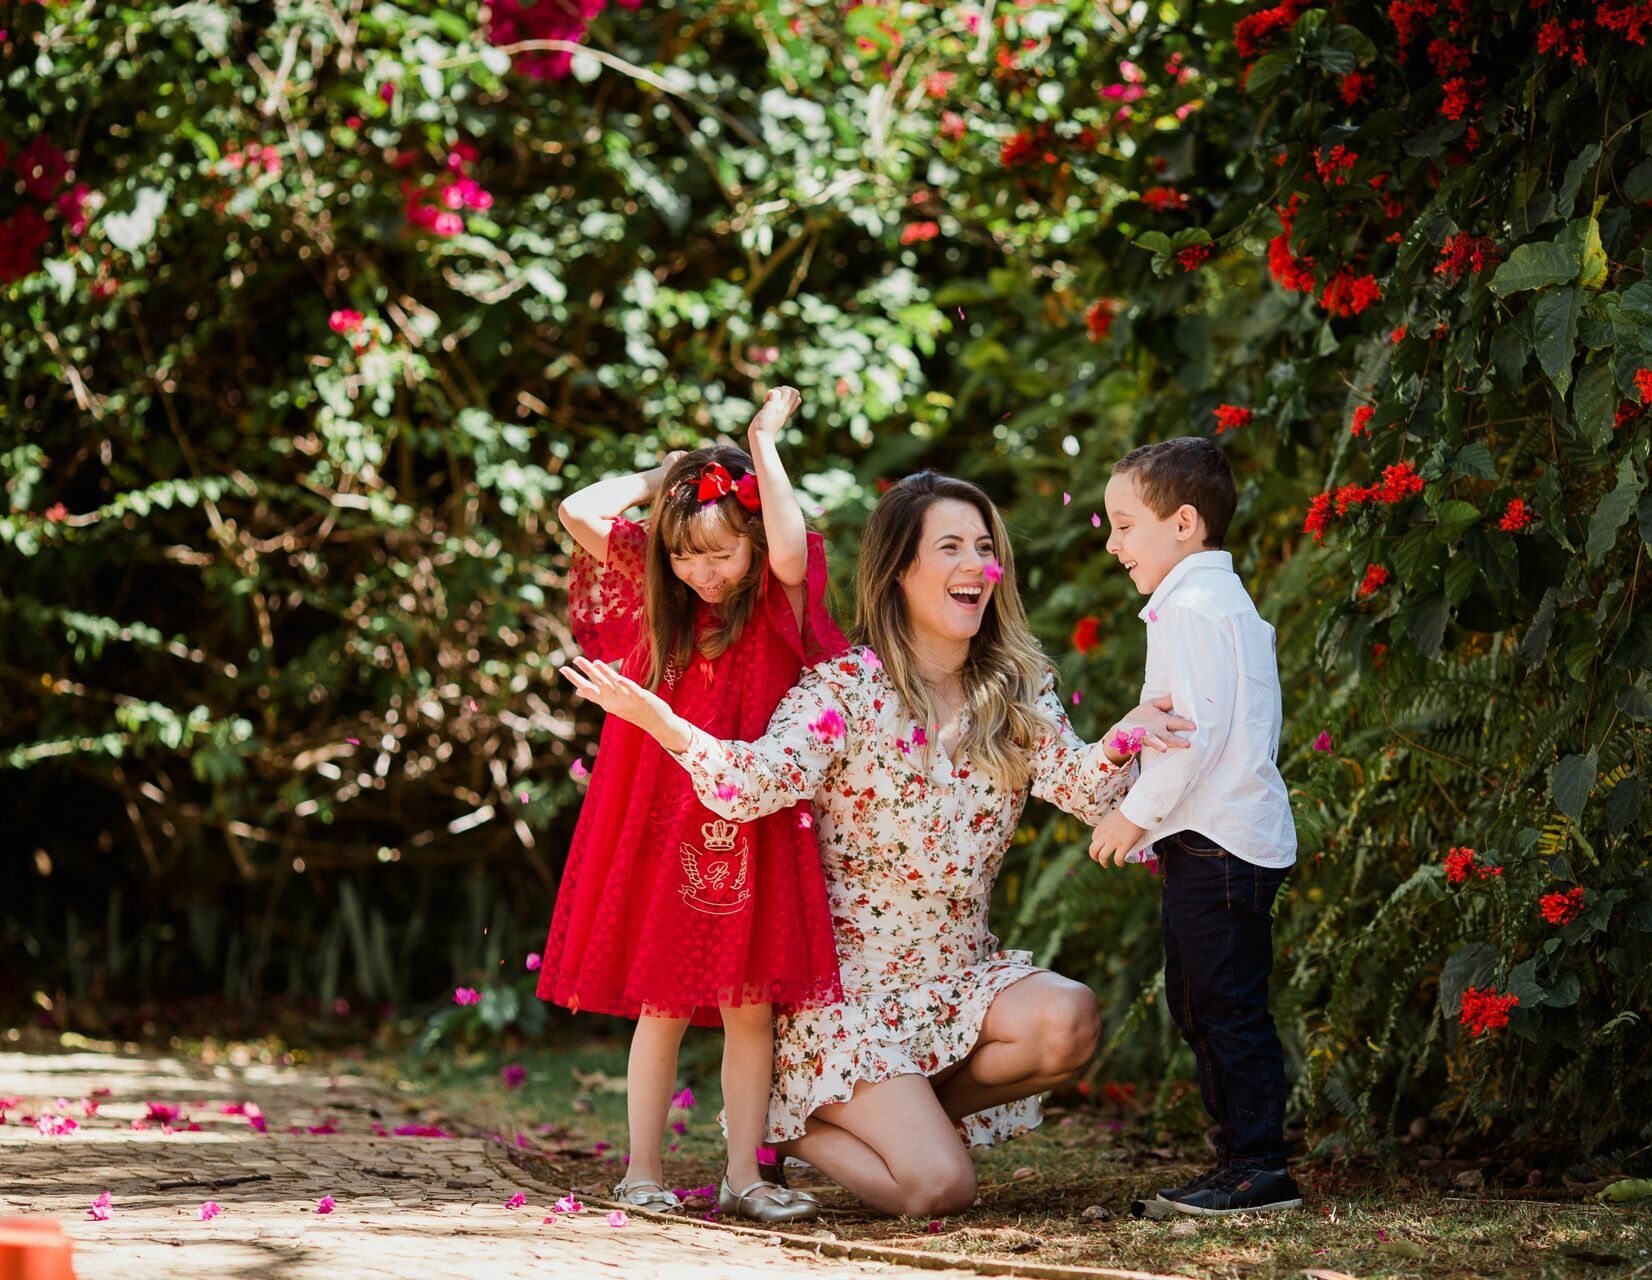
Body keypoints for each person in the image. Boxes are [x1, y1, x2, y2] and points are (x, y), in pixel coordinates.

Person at [559, 471, 1192, 1216]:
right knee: (938, 1188)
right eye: (950, 546)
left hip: (959, 979)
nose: (974, 566)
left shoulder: (1014, 691)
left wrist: (1126, 738)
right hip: (848, 1006)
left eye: (985, 548)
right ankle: (786, 1122)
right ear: (899, 570)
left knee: (1068, 1020)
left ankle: (897, 1119)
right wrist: (663, 721)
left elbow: (1085, 792)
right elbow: (750, 784)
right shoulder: (844, 692)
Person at [538, 388, 847, 1225]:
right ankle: (642, 1171)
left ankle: (744, 1174)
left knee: (751, 1007)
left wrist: (760, 447)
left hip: (753, 815)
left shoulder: (776, 596)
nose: (702, 574)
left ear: (748, 542)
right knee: (663, 1000)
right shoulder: (660, 592)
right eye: (684, 558)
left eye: (720, 556)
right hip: (660, 817)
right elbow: (575, 509)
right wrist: (667, 477)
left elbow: (787, 550)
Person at [1089, 436, 1305, 1217]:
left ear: (1183, 524)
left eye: (1123, 525)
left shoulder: (1190, 605)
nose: (1112, 544)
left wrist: (1130, 815)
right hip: (1219, 841)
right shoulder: (1220, 601)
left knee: (1223, 1005)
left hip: (1217, 843)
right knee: (1201, 999)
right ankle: (1238, 1158)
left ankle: (1258, 1166)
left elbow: (1189, 733)